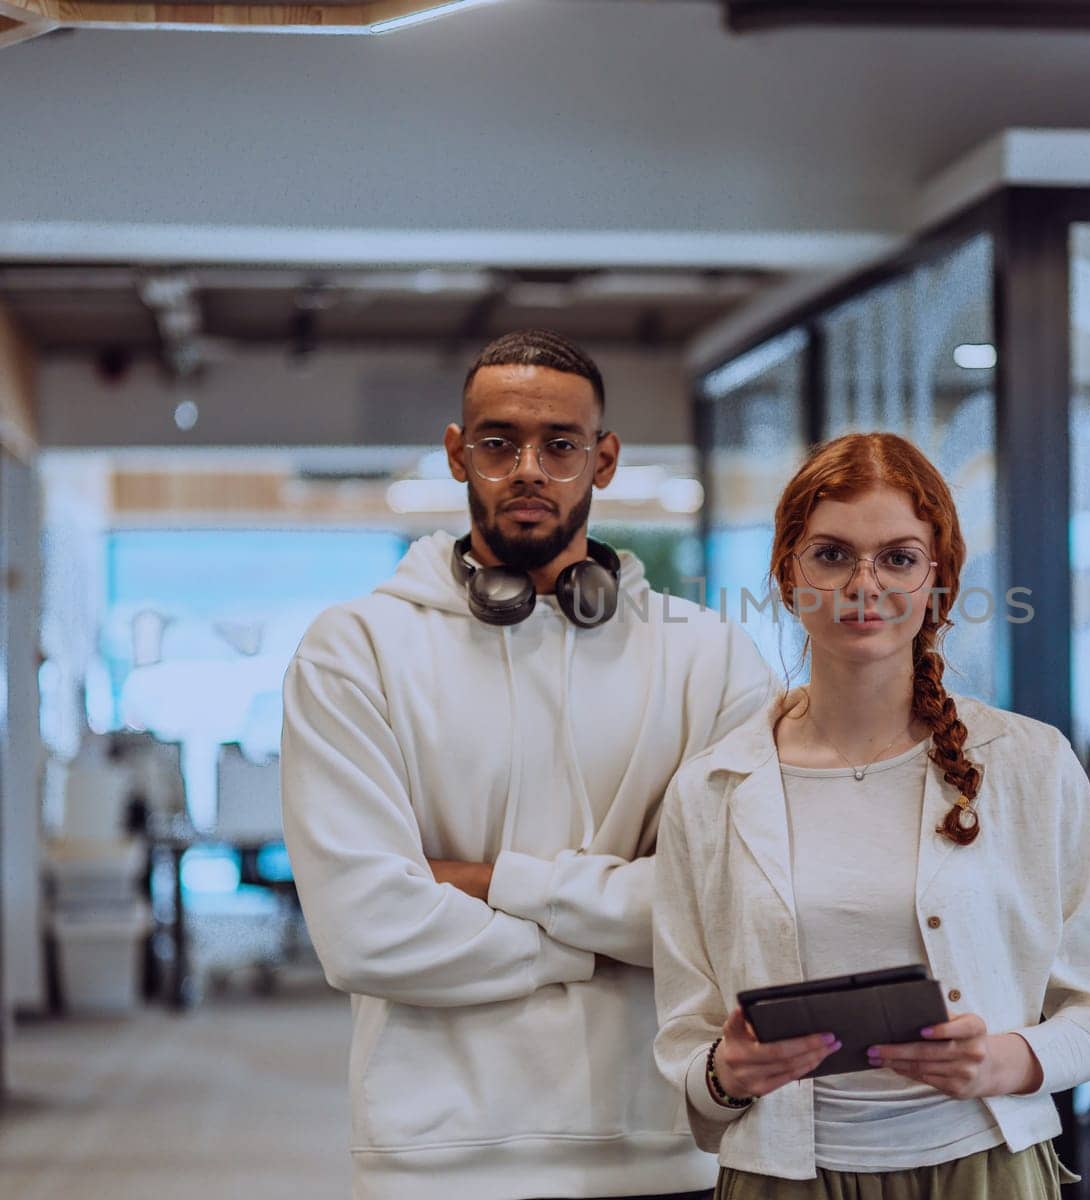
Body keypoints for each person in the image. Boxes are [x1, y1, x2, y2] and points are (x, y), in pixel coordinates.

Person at [281, 330, 776, 1200]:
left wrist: (480, 881)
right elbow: (364, 931)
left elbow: (733, 908)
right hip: (434, 1161)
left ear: (605, 460)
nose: (528, 470)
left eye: (560, 445)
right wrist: (611, 939)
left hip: (665, 1145)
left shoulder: (710, 656)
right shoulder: (355, 649)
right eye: (498, 443)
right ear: (456, 454)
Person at [652, 432, 1090, 1198]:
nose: (864, 584)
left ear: (937, 582)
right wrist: (726, 1073)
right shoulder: (710, 789)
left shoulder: (1030, 766)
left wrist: (1005, 1060)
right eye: (832, 554)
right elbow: (685, 1037)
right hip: (784, 1177)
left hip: (983, 1170)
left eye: (898, 557)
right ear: (787, 576)